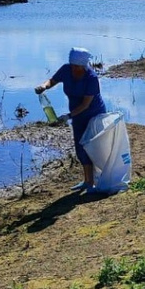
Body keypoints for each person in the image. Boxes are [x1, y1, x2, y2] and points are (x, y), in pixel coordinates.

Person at [35, 47, 106, 192]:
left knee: (92, 146)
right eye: (72, 65)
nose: (74, 69)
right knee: (80, 147)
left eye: (77, 67)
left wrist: (68, 116)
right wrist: (44, 86)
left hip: (93, 113)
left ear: (84, 66)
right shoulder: (66, 70)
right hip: (77, 114)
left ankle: (96, 181)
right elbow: (52, 80)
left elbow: (86, 104)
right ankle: (87, 181)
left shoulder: (91, 78)